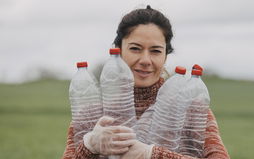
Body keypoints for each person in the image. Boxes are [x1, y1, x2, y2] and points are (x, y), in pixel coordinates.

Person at [62, 5, 230, 159]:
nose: (145, 60)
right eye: (135, 48)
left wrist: (152, 154)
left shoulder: (190, 107)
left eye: (156, 51)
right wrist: (89, 146)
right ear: (118, 51)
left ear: (165, 56)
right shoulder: (92, 112)